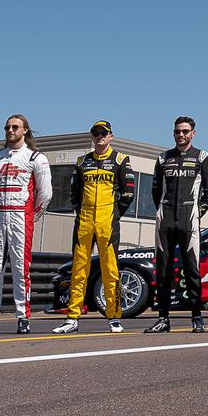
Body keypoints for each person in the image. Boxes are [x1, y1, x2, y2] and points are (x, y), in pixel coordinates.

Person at [0, 114, 52, 334]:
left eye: (15, 127)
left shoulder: (35, 157)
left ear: (25, 130)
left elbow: (45, 193)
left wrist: (32, 214)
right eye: (7, 127)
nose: (10, 130)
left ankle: (23, 317)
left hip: (21, 216)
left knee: (20, 268)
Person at [54, 121, 137, 334]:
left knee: (110, 270)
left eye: (103, 133)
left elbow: (129, 193)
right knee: (79, 270)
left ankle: (114, 317)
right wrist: (81, 213)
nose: (100, 136)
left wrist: (114, 214)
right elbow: (74, 193)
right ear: (92, 137)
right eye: (96, 133)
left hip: (107, 222)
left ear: (111, 136)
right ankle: (72, 317)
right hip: (84, 222)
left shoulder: (120, 160)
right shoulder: (83, 162)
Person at [147, 116, 208, 334]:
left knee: (192, 270)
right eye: (178, 131)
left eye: (185, 131)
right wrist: (161, 212)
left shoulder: (203, 157)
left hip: (189, 221)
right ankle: (163, 318)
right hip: (165, 220)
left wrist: (197, 214)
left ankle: (197, 317)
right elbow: (155, 190)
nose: (181, 135)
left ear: (193, 133)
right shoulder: (162, 158)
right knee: (163, 271)